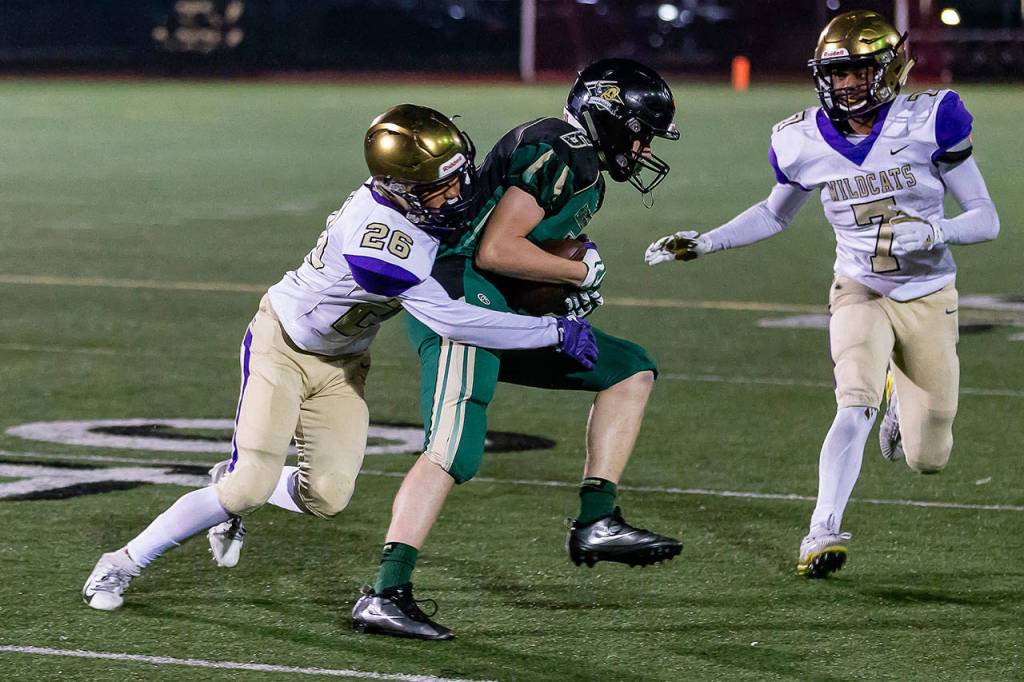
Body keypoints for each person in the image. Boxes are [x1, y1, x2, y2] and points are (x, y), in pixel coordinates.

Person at [82, 104, 599, 611]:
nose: (457, 194)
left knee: (327, 497)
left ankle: (231, 482)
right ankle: (123, 561)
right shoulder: (380, 234)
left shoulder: (428, 206)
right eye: (439, 187)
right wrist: (548, 330)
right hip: (283, 347)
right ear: (399, 187)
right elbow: (449, 318)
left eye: (459, 175)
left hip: (344, 363)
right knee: (248, 488)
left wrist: (567, 264)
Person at [645, 11, 999, 578]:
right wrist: (706, 241)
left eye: (859, 71)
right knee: (852, 403)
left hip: (929, 293)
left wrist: (938, 229)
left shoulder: (932, 119)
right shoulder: (800, 138)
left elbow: (986, 218)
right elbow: (773, 213)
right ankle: (822, 530)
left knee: (928, 458)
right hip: (858, 286)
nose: (847, 84)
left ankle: (897, 392)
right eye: (836, 73)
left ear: (887, 71)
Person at [352, 58, 684, 641]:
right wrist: (576, 276)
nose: (642, 144)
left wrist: (567, 268)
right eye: (638, 129)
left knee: (630, 370)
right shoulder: (562, 150)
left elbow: (528, 251)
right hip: (463, 301)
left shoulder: (576, 160)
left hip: (497, 304)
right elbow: (496, 252)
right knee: (454, 450)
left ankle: (597, 519)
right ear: (608, 115)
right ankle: (384, 591)